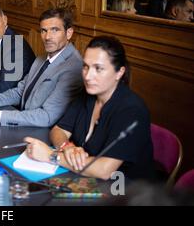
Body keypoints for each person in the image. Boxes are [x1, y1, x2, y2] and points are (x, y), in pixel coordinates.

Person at [23, 36, 155, 180]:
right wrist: (68, 147)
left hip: (125, 191)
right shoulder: (87, 94)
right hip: (86, 178)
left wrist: (51, 156)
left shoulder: (132, 110)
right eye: (85, 67)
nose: (88, 76)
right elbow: (59, 130)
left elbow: (104, 170)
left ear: (119, 72)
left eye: (98, 69)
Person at [0, 8, 83, 127]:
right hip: (24, 121)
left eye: (55, 30)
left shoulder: (73, 66)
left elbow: (46, 117)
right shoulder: (41, 59)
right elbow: (19, 92)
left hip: (44, 133)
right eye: (43, 31)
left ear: (69, 33)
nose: (47, 37)